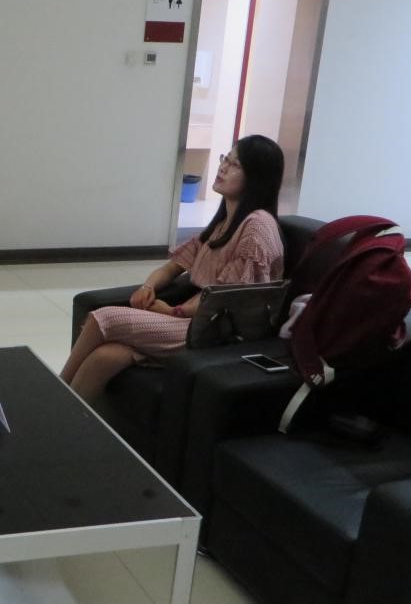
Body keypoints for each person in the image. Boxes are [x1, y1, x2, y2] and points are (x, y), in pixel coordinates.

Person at [61, 134, 285, 403]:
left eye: (235, 165)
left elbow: (228, 298)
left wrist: (172, 311)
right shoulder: (223, 223)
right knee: (104, 357)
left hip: (215, 333)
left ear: (257, 177)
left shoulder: (257, 226)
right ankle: (64, 419)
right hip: (197, 323)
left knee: (103, 319)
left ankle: (53, 390)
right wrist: (148, 287)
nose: (223, 167)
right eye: (225, 159)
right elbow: (171, 268)